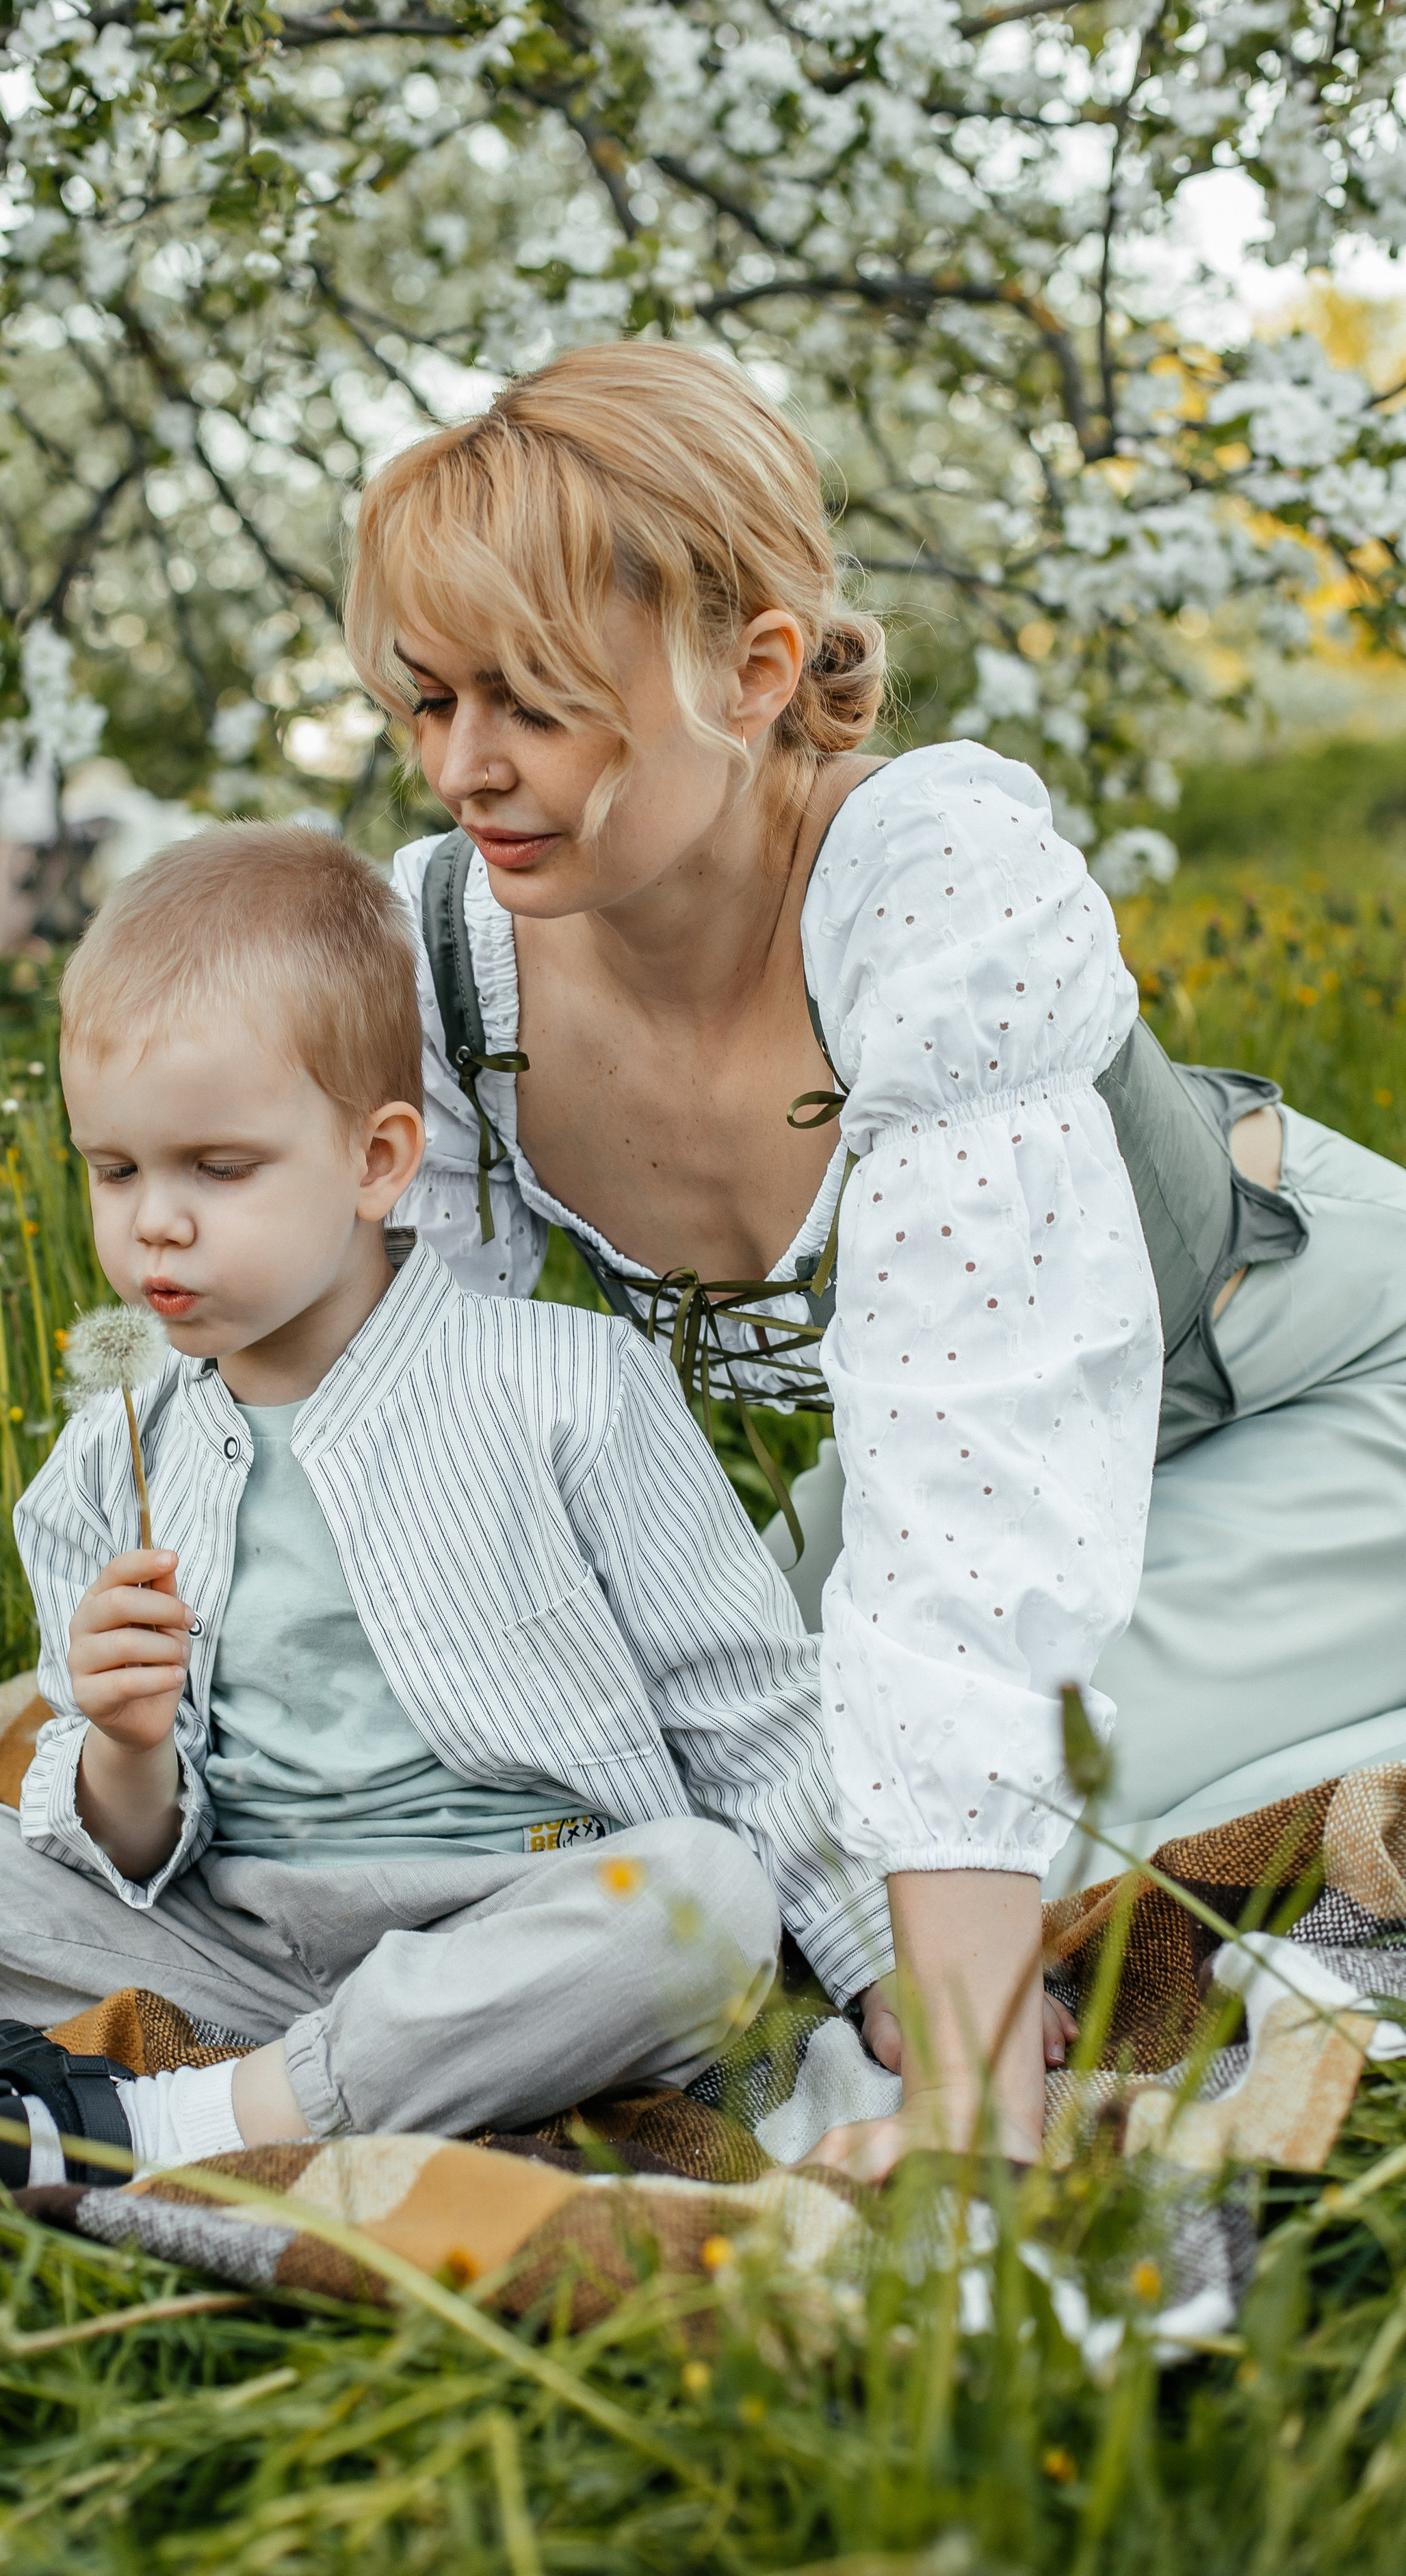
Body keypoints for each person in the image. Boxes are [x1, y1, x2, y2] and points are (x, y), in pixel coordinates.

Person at [345, 339, 1406, 2180]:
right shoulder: (450, 957)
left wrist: (977, 2085)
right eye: (423, 703)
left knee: (1012, 1827)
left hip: (1311, 1379)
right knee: (685, 1804)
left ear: (754, 671)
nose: (463, 768)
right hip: (959, 1463)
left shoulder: (938, 892)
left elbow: (970, 1510)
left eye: (528, 700)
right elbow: (424, 1432)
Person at [0, 823, 870, 2182]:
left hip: (511, 1925)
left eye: (215, 1168)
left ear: (376, 1159)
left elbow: (749, 1710)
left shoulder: (566, 1389)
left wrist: (885, 1970)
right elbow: (125, 1848)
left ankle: (171, 2125)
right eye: (114, 1170)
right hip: (221, 1945)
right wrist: (120, 1745)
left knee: (703, 1900)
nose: (152, 1224)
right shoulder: (111, 1463)